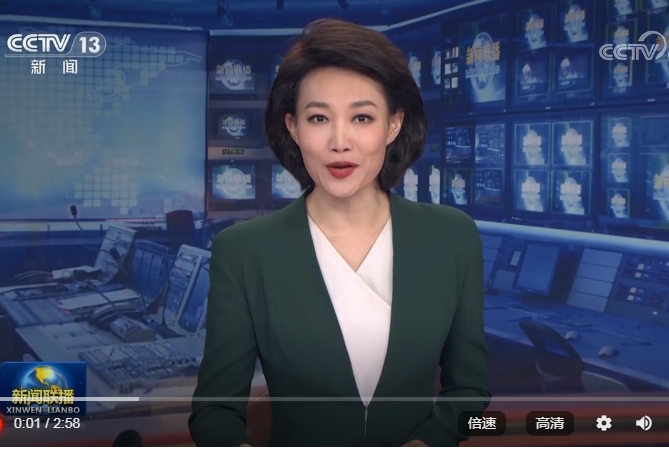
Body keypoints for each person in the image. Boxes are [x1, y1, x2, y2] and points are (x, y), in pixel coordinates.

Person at [189, 19, 491, 447]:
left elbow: (470, 392)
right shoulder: (244, 251)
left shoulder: (452, 238)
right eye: (319, 118)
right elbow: (215, 411)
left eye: (362, 117)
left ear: (393, 125)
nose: (340, 141)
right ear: (294, 127)